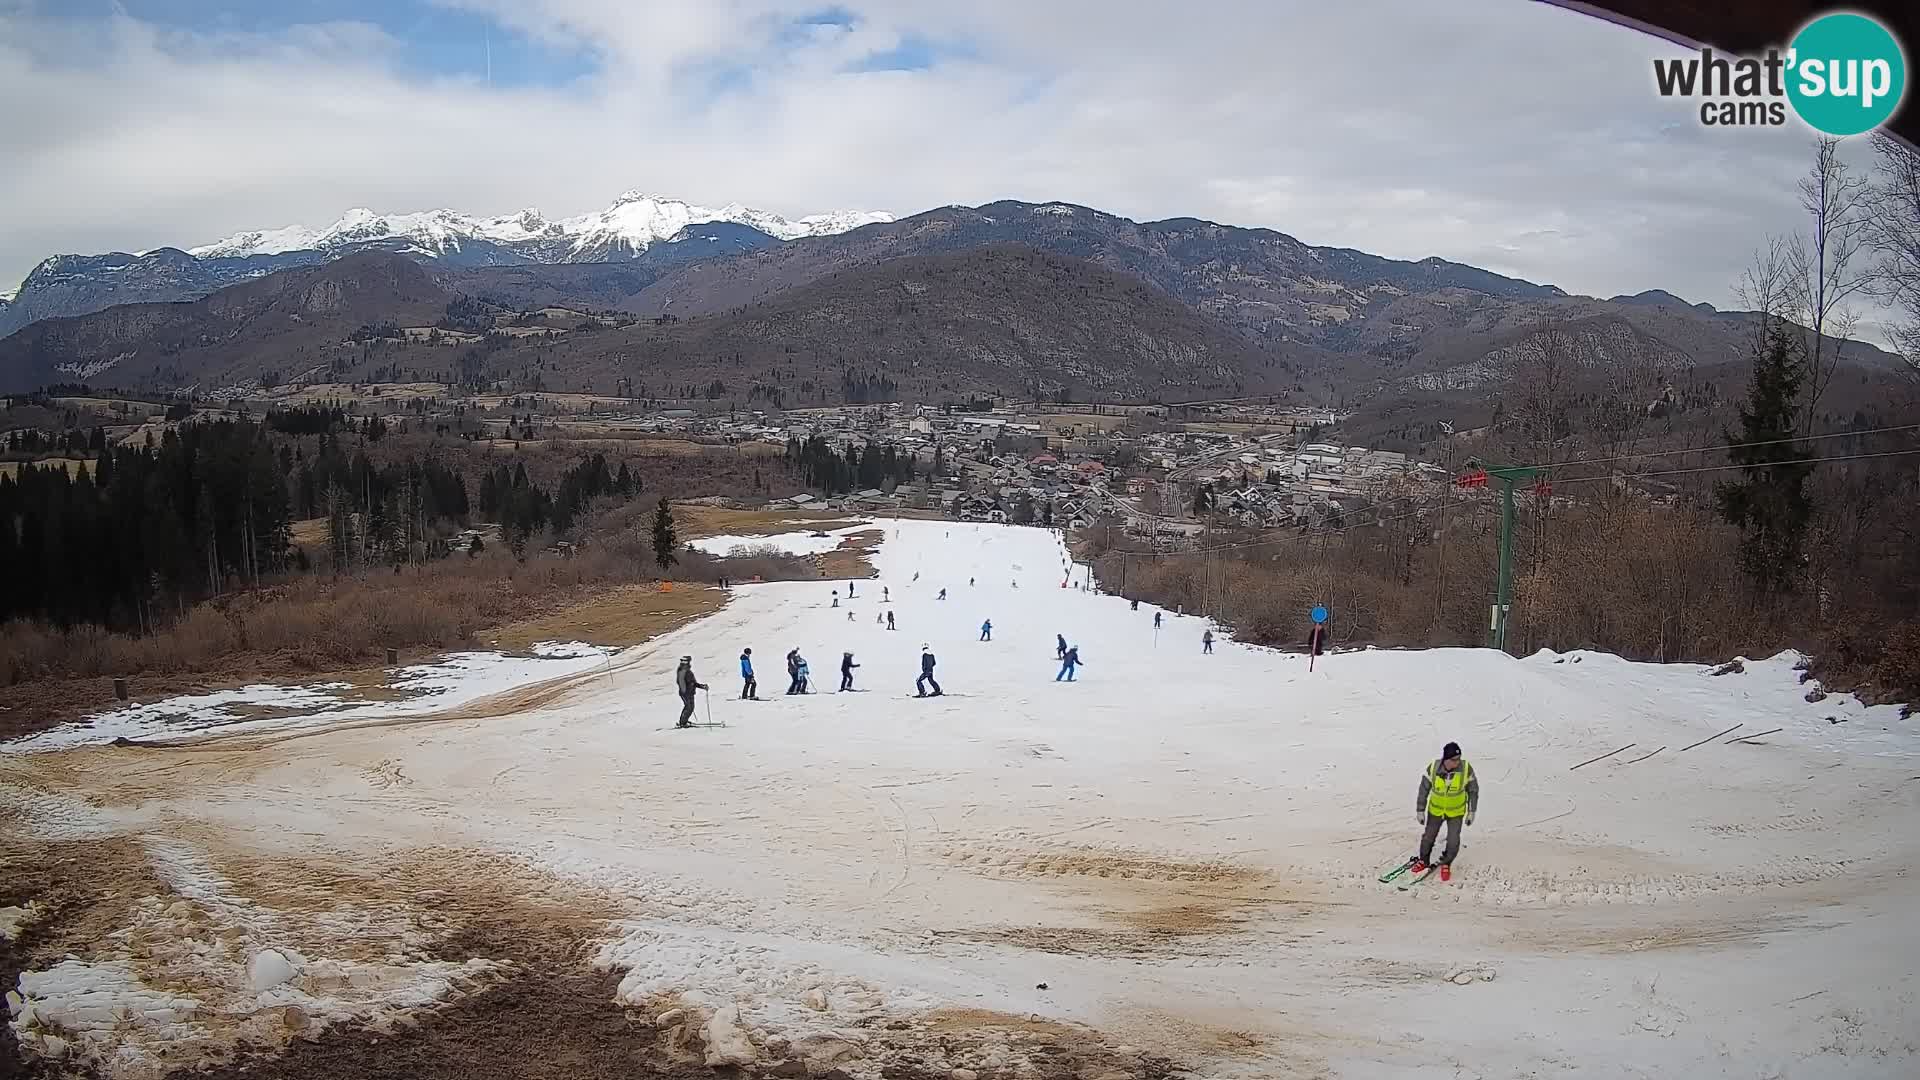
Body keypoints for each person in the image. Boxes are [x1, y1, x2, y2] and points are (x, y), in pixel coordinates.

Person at [1411, 742, 1479, 881]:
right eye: (1454, 759)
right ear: (1446, 759)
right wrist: (1420, 809)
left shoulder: (1466, 768)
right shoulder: (1434, 768)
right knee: (1428, 837)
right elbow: (1424, 789)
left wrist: (1471, 811)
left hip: (1456, 812)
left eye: (1459, 758)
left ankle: (1447, 862)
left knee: (1453, 840)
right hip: (1435, 810)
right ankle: (1424, 860)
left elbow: (1473, 790)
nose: (1457, 762)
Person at [675, 656, 707, 728]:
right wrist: (685, 692)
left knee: (690, 707)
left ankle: (684, 721)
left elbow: (692, 683)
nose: (687, 663)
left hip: (689, 693)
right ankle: (683, 723)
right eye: (686, 662)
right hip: (686, 693)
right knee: (689, 707)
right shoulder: (683, 671)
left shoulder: (686, 671)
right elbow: (682, 683)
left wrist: (702, 686)